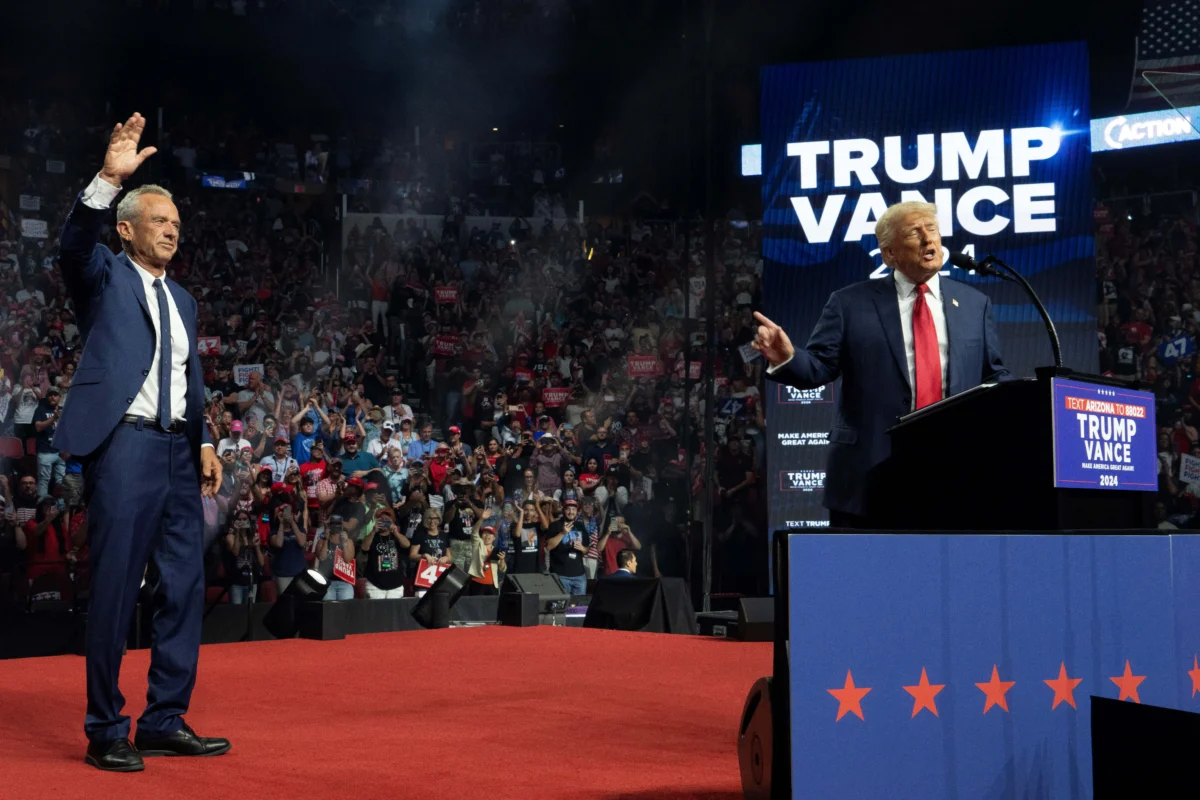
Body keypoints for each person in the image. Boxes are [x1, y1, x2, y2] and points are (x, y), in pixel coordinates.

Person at [54, 113, 228, 771]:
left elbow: (191, 379)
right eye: (160, 220)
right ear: (126, 229)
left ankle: (164, 720)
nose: (172, 230)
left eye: (177, 224)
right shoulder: (101, 276)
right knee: (117, 589)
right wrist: (106, 178)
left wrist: (207, 441)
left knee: (183, 587)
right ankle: (105, 729)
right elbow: (72, 245)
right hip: (123, 449)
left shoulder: (183, 300)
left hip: (177, 455)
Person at [752, 201, 1010, 527]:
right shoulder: (849, 303)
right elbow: (819, 367)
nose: (929, 240)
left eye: (932, 230)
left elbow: (994, 374)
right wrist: (787, 358)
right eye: (915, 234)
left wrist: (1026, 396)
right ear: (890, 254)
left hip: (953, 469)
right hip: (869, 474)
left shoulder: (975, 303)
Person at [358, 507, 408, 598]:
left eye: (387, 520)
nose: (384, 522)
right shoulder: (372, 536)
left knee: (394, 611)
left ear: (392, 521)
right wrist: (373, 531)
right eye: (381, 520)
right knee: (376, 611)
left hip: (395, 584)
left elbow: (406, 545)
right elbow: (364, 548)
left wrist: (395, 532)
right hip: (375, 584)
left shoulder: (396, 536)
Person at [545, 497, 588, 595]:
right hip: (560, 575)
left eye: (573, 509)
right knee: (561, 608)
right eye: (568, 509)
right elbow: (548, 546)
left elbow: (587, 549)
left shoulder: (580, 526)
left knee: (579, 608)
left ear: (577, 511)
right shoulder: (555, 525)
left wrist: (582, 548)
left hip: (579, 576)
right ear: (563, 510)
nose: (571, 512)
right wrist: (562, 533)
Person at [222, 510, 264, 604]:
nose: (242, 522)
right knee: (237, 612)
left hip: (251, 580)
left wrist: (257, 546)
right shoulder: (230, 536)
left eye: (245, 519)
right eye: (239, 519)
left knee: (250, 611)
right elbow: (235, 552)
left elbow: (261, 563)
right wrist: (237, 532)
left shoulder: (253, 536)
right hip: (236, 581)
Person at [314, 514, 356, 600]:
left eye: (338, 525)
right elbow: (322, 557)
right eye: (333, 524)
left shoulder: (348, 541)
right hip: (326, 582)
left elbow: (348, 559)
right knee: (327, 610)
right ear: (329, 526)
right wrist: (326, 539)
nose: (336, 527)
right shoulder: (321, 540)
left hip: (344, 583)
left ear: (342, 526)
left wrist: (344, 543)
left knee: (345, 610)